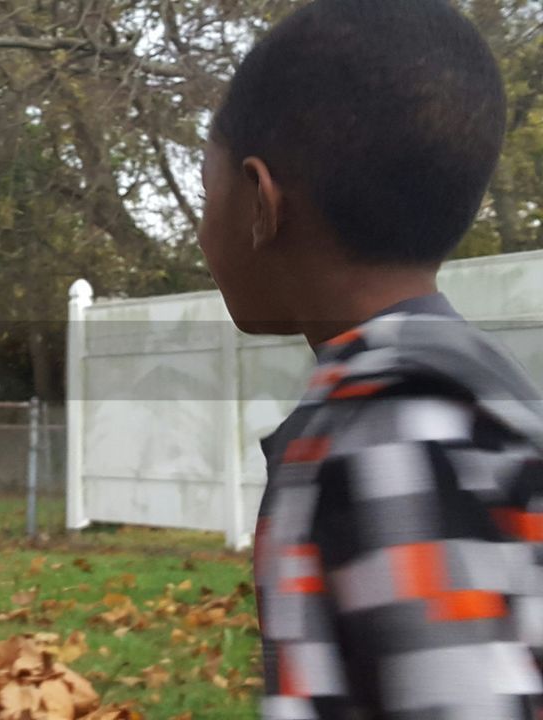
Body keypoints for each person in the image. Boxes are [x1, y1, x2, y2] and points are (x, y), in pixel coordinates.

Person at [196, 0, 543, 717]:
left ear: (262, 203)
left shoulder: (392, 429)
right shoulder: (461, 392)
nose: (201, 237)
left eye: (208, 193)